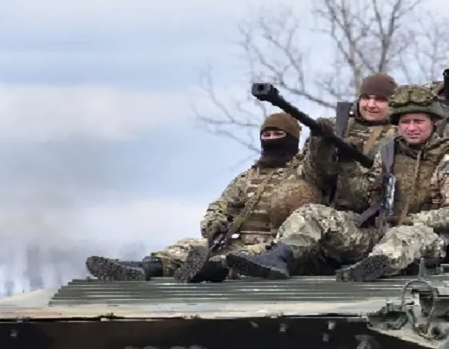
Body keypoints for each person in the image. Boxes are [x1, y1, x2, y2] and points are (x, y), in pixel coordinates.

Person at [223, 84, 449, 283]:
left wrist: (412, 220)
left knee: (404, 234)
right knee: (313, 214)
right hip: (377, 232)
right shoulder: (389, 152)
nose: (411, 128)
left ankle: (371, 268)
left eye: (418, 121)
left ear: (433, 123)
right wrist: (348, 166)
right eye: (406, 122)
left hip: (425, 240)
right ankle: (279, 257)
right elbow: (363, 198)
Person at [84, 112, 320, 282]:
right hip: (240, 241)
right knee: (190, 246)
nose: (271, 138)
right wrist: (214, 222)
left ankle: (209, 269)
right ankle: (147, 268)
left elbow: (322, 167)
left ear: (291, 139)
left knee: (239, 258)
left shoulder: (305, 172)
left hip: (277, 249)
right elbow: (222, 205)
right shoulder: (248, 177)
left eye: (278, 133)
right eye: (266, 134)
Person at [301, 72, 397, 214]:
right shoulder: (337, 126)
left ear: (392, 102)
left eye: (380, 99)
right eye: (366, 98)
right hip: (325, 206)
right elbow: (309, 176)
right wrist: (318, 145)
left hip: (367, 210)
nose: (371, 105)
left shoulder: (398, 134)